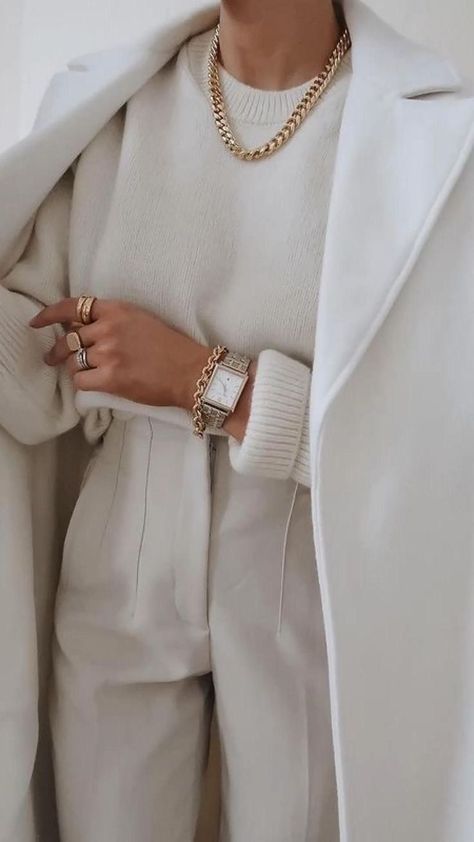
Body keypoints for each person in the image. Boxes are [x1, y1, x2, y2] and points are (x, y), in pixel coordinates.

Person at [0, 0, 472, 841]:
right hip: (120, 551)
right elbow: (33, 391)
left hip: (302, 563)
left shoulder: (429, 144)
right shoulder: (113, 109)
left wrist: (205, 380)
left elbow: (427, 443)